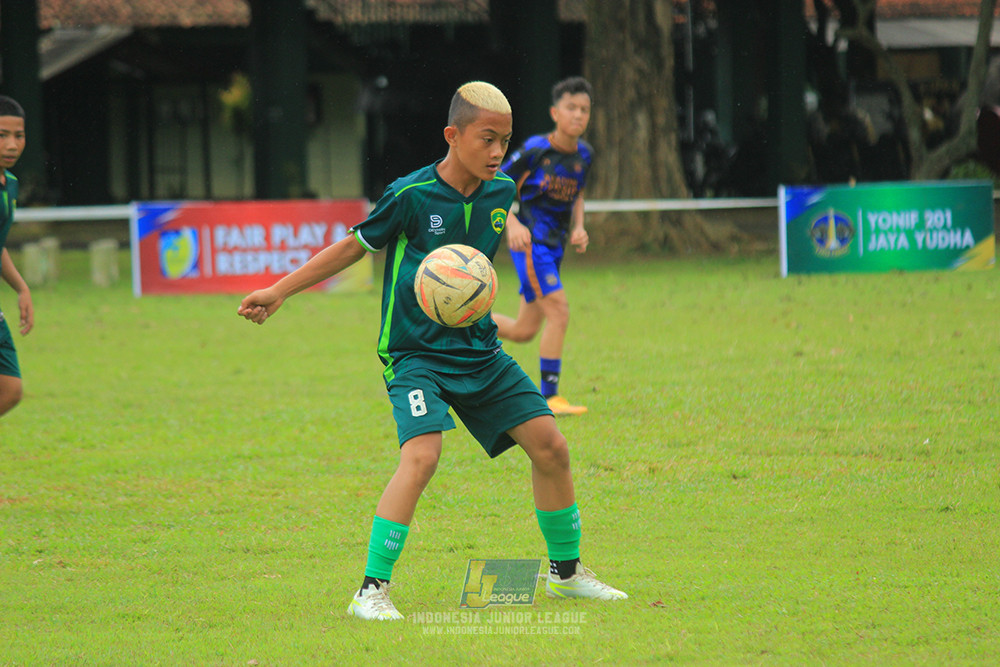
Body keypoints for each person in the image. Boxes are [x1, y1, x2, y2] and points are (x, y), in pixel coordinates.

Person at [238, 81, 626, 621]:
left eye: (505, 140)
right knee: (421, 456)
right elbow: (353, 246)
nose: (497, 152)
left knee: (552, 447)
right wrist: (279, 290)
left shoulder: (500, 191)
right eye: (487, 139)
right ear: (453, 135)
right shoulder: (411, 194)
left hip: (478, 351)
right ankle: (370, 592)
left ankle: (566, 576)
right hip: (415, 354)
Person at [491, 76, 594, 416]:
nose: (578, 115)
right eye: (571, 108)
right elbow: (497, 184)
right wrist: (512, 223)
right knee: (560, 312)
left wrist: (579, 227)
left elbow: (577, 192)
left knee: (524, 330)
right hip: (532, 247)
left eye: (584, 109)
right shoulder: (536, 149)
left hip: (555, 247)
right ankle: (549, 397)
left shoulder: (584, 155)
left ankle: (459, 318)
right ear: (555, 112)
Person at [0, 95, 34, 418]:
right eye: (1, 135)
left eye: (18, 135)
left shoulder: (9, 185)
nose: (12, 144)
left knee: (10, 390)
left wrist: (21, 288)